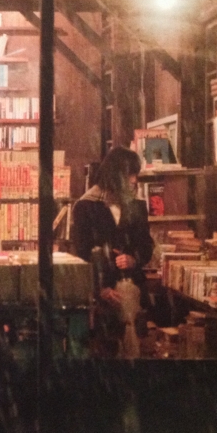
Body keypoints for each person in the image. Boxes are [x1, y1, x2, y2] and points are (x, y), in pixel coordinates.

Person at [70, 146, 154, 356]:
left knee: (127, 300)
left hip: (130, 281)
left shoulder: (137, 206)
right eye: (130, 174)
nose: (134, 180)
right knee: (119, 319)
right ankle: (129, 360)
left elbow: (146, 246)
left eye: (135, 174)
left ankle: (128, 357)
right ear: (115, 175)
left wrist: (134, 259)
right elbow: (82, 254)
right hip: (98, 286)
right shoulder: (86, 206)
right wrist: (100, 289)